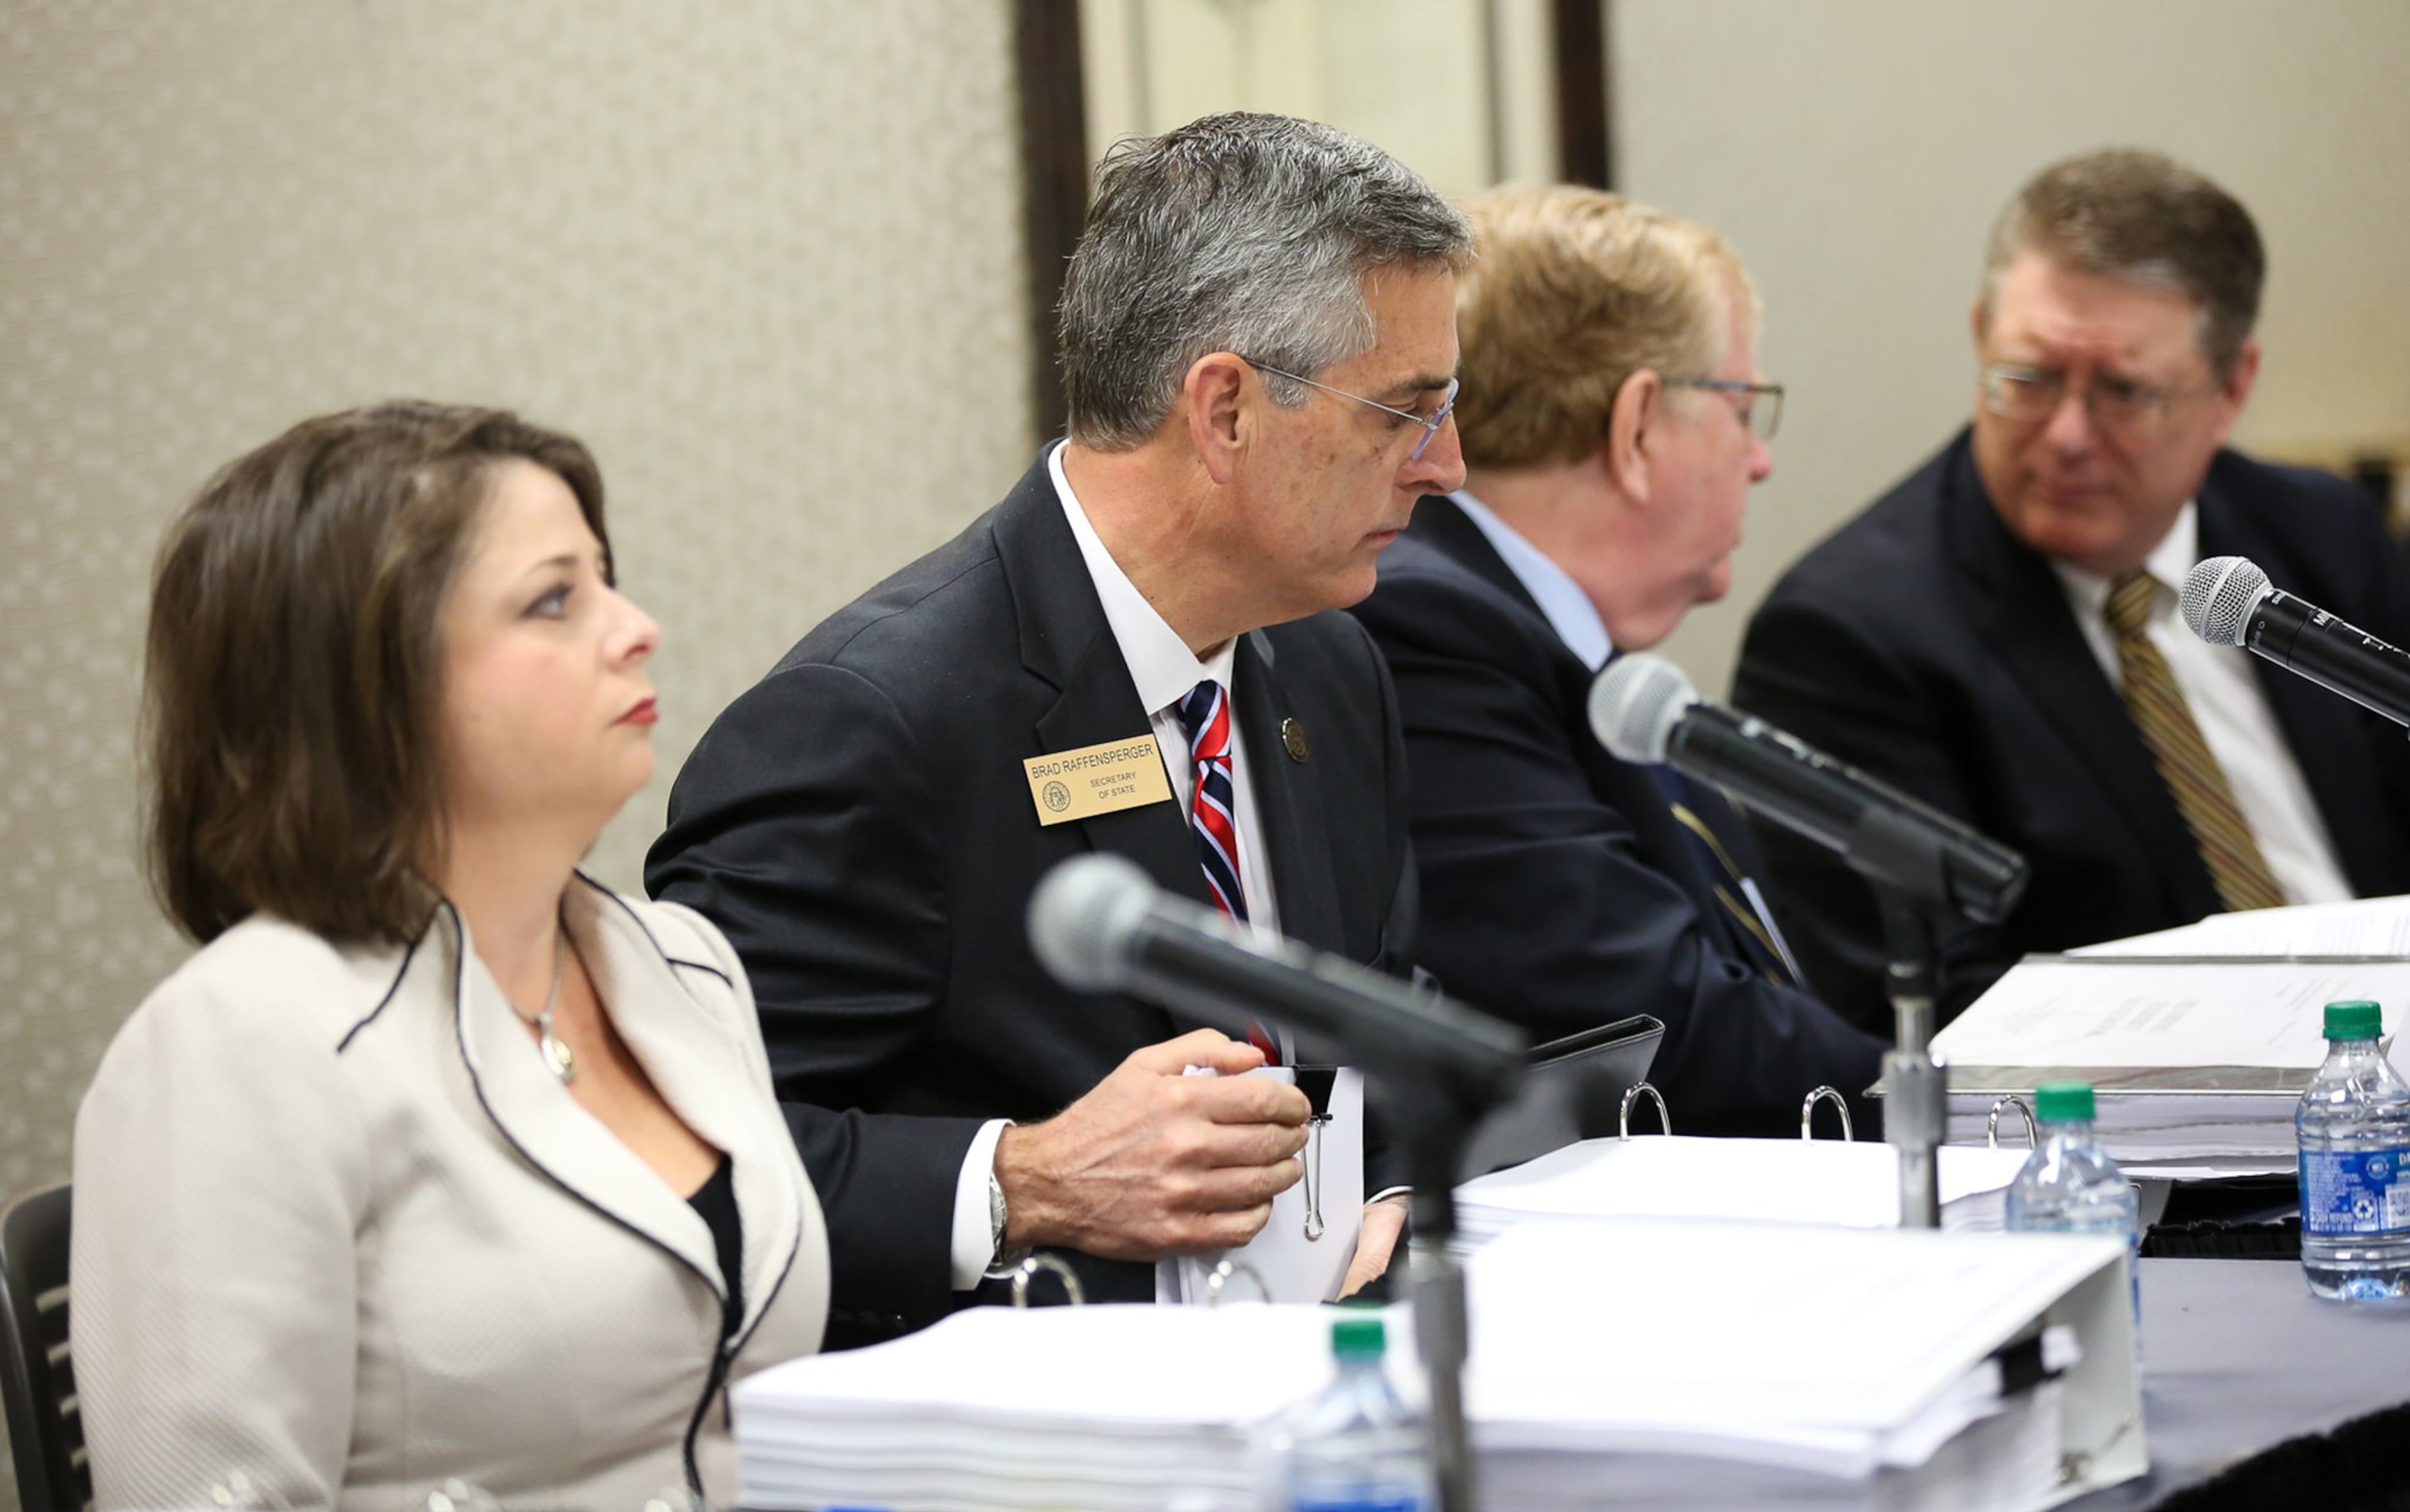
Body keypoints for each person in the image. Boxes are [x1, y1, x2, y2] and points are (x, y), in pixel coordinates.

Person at [646, 112, 1469, 1343]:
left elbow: (1383, 1008)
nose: (1445, 464)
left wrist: (1395, 1186)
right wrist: (1021, 1175)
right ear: (1227, 410)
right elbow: (688, 1168)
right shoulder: (872, 722)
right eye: (1405, 411)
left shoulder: (1328, 661)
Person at [73, 402, 828, 1509]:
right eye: (555, 599)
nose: (636, 627)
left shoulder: (687, 965)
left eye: (605, 580)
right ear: (365, 691)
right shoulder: (239, 1045)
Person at [1734, 148, 2410, 1029]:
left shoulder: (2322, 534)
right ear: (1981, 334)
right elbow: (1946, 1013)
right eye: (2029, 379)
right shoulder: (1851, 632)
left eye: (2126, 393)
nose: (2066, 435)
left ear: (2232, 386)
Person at [1347, 185, 1886, 1137]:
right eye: (1741, 406)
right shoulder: (1429, 625)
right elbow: (1649, 1015)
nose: (1759, 462)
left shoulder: (1576, 651)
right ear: (1638, 428)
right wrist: (1972, 1104)